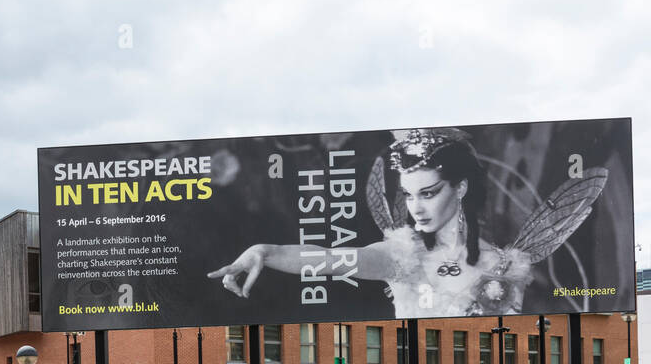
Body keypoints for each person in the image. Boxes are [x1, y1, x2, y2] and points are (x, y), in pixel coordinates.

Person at [208, 128, 537, 318]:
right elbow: (330, 260)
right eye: (409, 195)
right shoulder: (404, 256)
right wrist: (266, 252)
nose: (417, 208)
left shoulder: (504, 264)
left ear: (460, 188)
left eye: (429, 193)